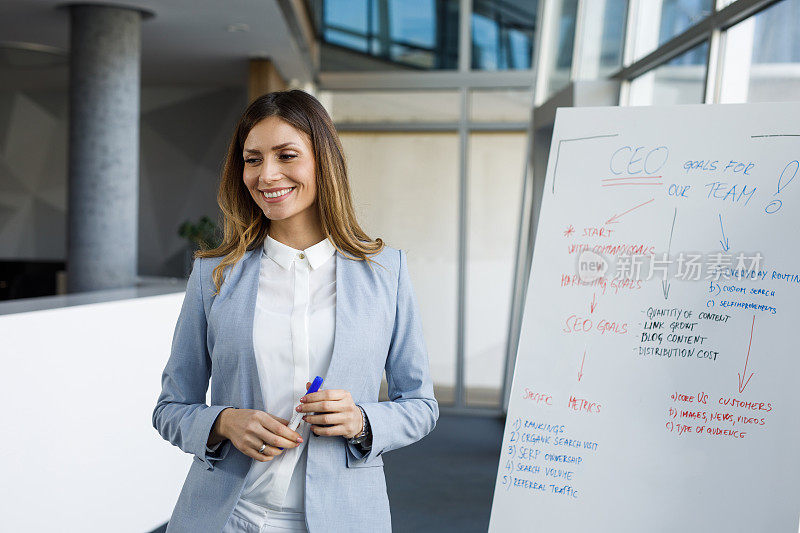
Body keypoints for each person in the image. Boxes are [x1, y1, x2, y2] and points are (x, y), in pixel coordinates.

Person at [152, 89, 438, 533]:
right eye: (252, 159)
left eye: (286, 155)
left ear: (322, 161)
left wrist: (363, 419)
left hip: (342, 518)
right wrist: (223, 422)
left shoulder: (386, 272)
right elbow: (170, 408)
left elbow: (420, 405)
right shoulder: (214, 275)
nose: (267, 175)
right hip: (227, 518)